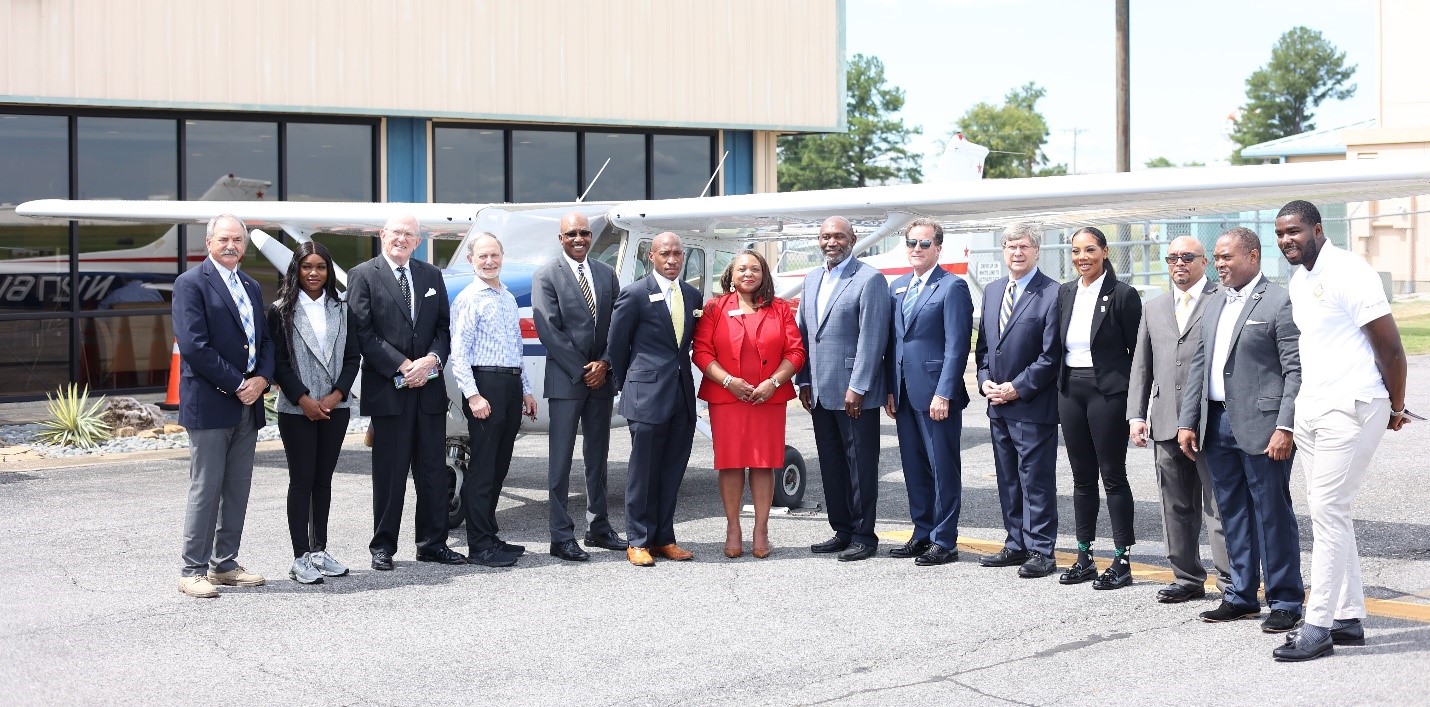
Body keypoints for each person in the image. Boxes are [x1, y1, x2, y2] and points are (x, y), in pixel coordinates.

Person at [1272, 200, 1410, 662]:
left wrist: (1395, 404)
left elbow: (1390, 348)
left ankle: (1318, 625)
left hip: (1351, 407)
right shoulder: (1299, 279)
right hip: (1313, 408)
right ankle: (1348, 618)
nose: (1286, 240)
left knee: (1328, 513)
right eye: (1280, 234)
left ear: (1316, 229)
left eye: (1294, 231)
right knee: (1331, 514)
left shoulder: (1350, 272)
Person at [1177, 227, 1304, 634]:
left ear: (1253, 256)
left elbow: (1295, 370)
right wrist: (1187, 421)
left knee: (1272, 514)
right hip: (1215, 424)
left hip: (1264, 427)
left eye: (1227, 257)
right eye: (1216, 258)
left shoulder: (1281, 300)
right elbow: (1199, 363)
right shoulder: (1214, 303)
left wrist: (1285, 425)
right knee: (1231, 513)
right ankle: (1241, 596)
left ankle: (1285, 600)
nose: (1219, 265)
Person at [347, 214, 463, 570]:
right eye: (396, 232)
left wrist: (430, 360)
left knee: (431, 471)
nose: (401, 239)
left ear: (418, 241)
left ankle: (432, 543)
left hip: (428, 391)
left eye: (409, 235)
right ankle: (383, 546)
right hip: (389, 391)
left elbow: (444, 327)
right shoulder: (363, 275)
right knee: (390, 473)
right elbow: (362, 332)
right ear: (383, 235)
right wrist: (402, 365)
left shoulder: (432, 275)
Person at [170, 214, 274, 598]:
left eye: (238, 240)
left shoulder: (249, 284)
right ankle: (192, 569)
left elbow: (265, 341)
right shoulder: (190, 284)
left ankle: (224, 565)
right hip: (212, 403)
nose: (231, 245)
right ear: (209, 242)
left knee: (237, 487)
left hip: (248, 404)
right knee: (206, 487)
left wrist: (261, 380)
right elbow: (194, 345)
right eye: (224, 239)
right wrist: (238, 384)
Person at [1127, 236, 1232, 604]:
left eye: (1187, 257)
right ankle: (1187, 578)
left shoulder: (1222, 300)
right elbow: (1142, 365)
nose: (1179, 264)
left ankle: (1231, 581)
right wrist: (1137, 414)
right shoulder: (1153, 307)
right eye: (1172, 258)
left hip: (1210, 421)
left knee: (1218, 505)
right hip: (1166, 420)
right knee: (1175, 504)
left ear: (1204, 262)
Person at [692, 249, 805, 559]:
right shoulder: (715, 308)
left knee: (763, 462)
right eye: (741, 268)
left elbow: (795, 353)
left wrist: (773, 382)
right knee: (730, 462)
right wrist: (729, 381)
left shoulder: (780, 309)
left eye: (754, 268)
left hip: (768, 398)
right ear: (731, 274)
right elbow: (701, 352)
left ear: (763, 274)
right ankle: (732, 528)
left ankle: (761, 528)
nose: (748, 274)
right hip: (727, 398)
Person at [531, 212, 626, 562]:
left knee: (597, 458)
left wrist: (605, 364)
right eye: (571, 233)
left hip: (601, 380)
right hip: (567, 381)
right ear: (560, 238)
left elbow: (618, 324)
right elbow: (548, 331)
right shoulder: (546, 276)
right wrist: (583, 370)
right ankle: (560, 535)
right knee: (560, 460)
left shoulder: (605, 274)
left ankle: (598, 526)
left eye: (584, 232)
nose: (579, 238)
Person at [796, 216, 891, 562]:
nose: (830, 241)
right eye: (824, 236)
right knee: (832, 464)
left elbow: (873, 337)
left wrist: (859, 386)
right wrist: (803, 379)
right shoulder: (811, 279)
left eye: (838, 235)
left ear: (853, 238)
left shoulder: (869, 279)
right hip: (819, 391)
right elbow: (805, 335)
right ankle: (842, 529)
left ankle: (864, 535)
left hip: (854, 394)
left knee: (860, 465)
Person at [882, 219, 974, 566]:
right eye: (912, 243)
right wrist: (891, 388)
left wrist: (944, 392)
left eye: (924, 244)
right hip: (904, 392)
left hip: (937, 394)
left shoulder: (952, 287)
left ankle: (944, 539)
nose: (917, 249)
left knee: (942, 466)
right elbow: (895, 343)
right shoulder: (898, 287)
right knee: (914, 467)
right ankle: (922, 532)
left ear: (938, 248)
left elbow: (957, 345)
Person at [1055, 226, 1142, 590]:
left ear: (1105, 252)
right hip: (1070, 389)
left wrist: (1138, 405)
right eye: (1076, 251)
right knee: (1081, 477)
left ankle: (1122, 560)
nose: (1082, 258)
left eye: (1090, 250)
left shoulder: (1122, 295)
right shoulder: (1066, 293)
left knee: (1112, 474)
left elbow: (1138, 353)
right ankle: (1084, 556)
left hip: (1108, 392)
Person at [268, 242, 360, 584]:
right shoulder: (281, 310)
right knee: (302, 480)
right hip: (297, 409)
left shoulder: (343, 309)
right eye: (307, 266)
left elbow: (353, 357)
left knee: (324, 480)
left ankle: (319, 549)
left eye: (321, 267)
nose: (314, 273)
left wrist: (336, 395)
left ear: (328, 271)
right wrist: (303, 398)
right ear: (296, 269)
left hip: (336, 407)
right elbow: (277, 361)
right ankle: (300, 556)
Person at [607, 232, 702, 566]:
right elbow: (617, 346)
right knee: (643, 471)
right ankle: (637, 540)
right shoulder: (634, 294)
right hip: (645, 395)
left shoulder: (692, 295)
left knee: (672, 469)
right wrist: (629, 385)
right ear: (651, 256)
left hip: (681, 396)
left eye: (677, 253)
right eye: (665, 254)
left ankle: (664, 538)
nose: (672, 259)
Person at [975, 224, 1062, 579]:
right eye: (1010, 246)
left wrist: (1016, 387)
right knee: (1008, 479)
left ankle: (1042, 549)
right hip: (997, 404)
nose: (1017, 253)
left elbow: (1051, 355)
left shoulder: (1053, 293)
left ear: (1036, 251)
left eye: (1023, 246)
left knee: (1035, 480)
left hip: (1032, 405)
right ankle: (1016, 543)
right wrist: (985, 384)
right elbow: (983, 349)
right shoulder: (994, 291)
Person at [450, 234, 539, 568]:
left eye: (495, 255)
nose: (489, 261)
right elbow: (458, 354)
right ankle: (479, 545)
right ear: (472, 260)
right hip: (484, 382)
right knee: (484, 468)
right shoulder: (469, 298)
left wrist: (526, 391)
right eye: (482, 256)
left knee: (499, 465)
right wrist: (473, 395)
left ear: (503, 257)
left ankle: (490, 535)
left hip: (510, 382)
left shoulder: (506, 298)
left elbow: (516, 349)